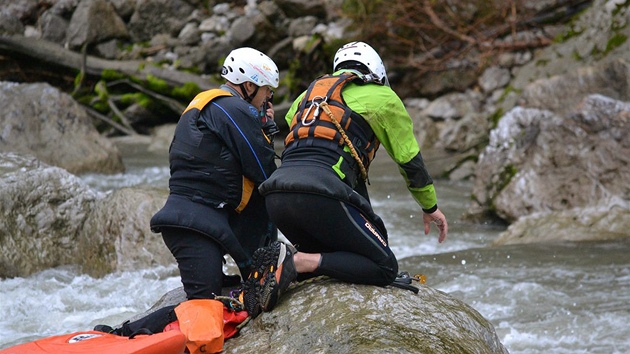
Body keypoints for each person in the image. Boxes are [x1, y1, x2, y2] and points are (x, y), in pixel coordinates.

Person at [243, 41, 448, 316]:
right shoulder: (383, 98)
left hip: (277, 197)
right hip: (320, 195)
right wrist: (430, 207)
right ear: (376, 72)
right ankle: (297, 261)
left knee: (339, 257)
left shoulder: (304, 98)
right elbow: (409, 160)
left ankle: (289, 267)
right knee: (384, 266)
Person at [95, 47, 280, 334]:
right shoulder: (234, 109)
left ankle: (120, 332)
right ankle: (122, 335)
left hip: (200, 220)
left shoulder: (207, 103)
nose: (269, 99)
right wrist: (267, 130)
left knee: (216, 295)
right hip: (197, 225)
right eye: (267, 91)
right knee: (203, 307)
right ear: (248, 85)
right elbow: (265, 172)